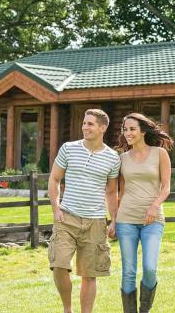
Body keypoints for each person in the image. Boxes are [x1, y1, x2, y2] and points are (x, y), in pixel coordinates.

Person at [48, 109, 121, 313]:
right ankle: (67, 309)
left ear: (102, 128)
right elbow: (54, 179)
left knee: (90, 274)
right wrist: (56, 208)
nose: (85, 127)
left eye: (90, 124)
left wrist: (113, 220)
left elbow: (111, 191)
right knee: (59, 264)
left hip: (96, 221)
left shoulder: (113, 158)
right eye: (84, 123)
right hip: (67, 216)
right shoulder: (69, 149)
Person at [114, 113, 174, 313]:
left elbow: (166, 187)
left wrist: (154, 206)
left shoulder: (159, 154)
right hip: (126, 219)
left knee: (150, 268)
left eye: (132, 129)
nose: (128, 133)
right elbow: (120, 193)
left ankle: (144, 309)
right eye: (125, 129)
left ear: (142, 131)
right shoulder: (122, 159)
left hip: (153, 220)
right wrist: (114, 221)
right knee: (128, 271)